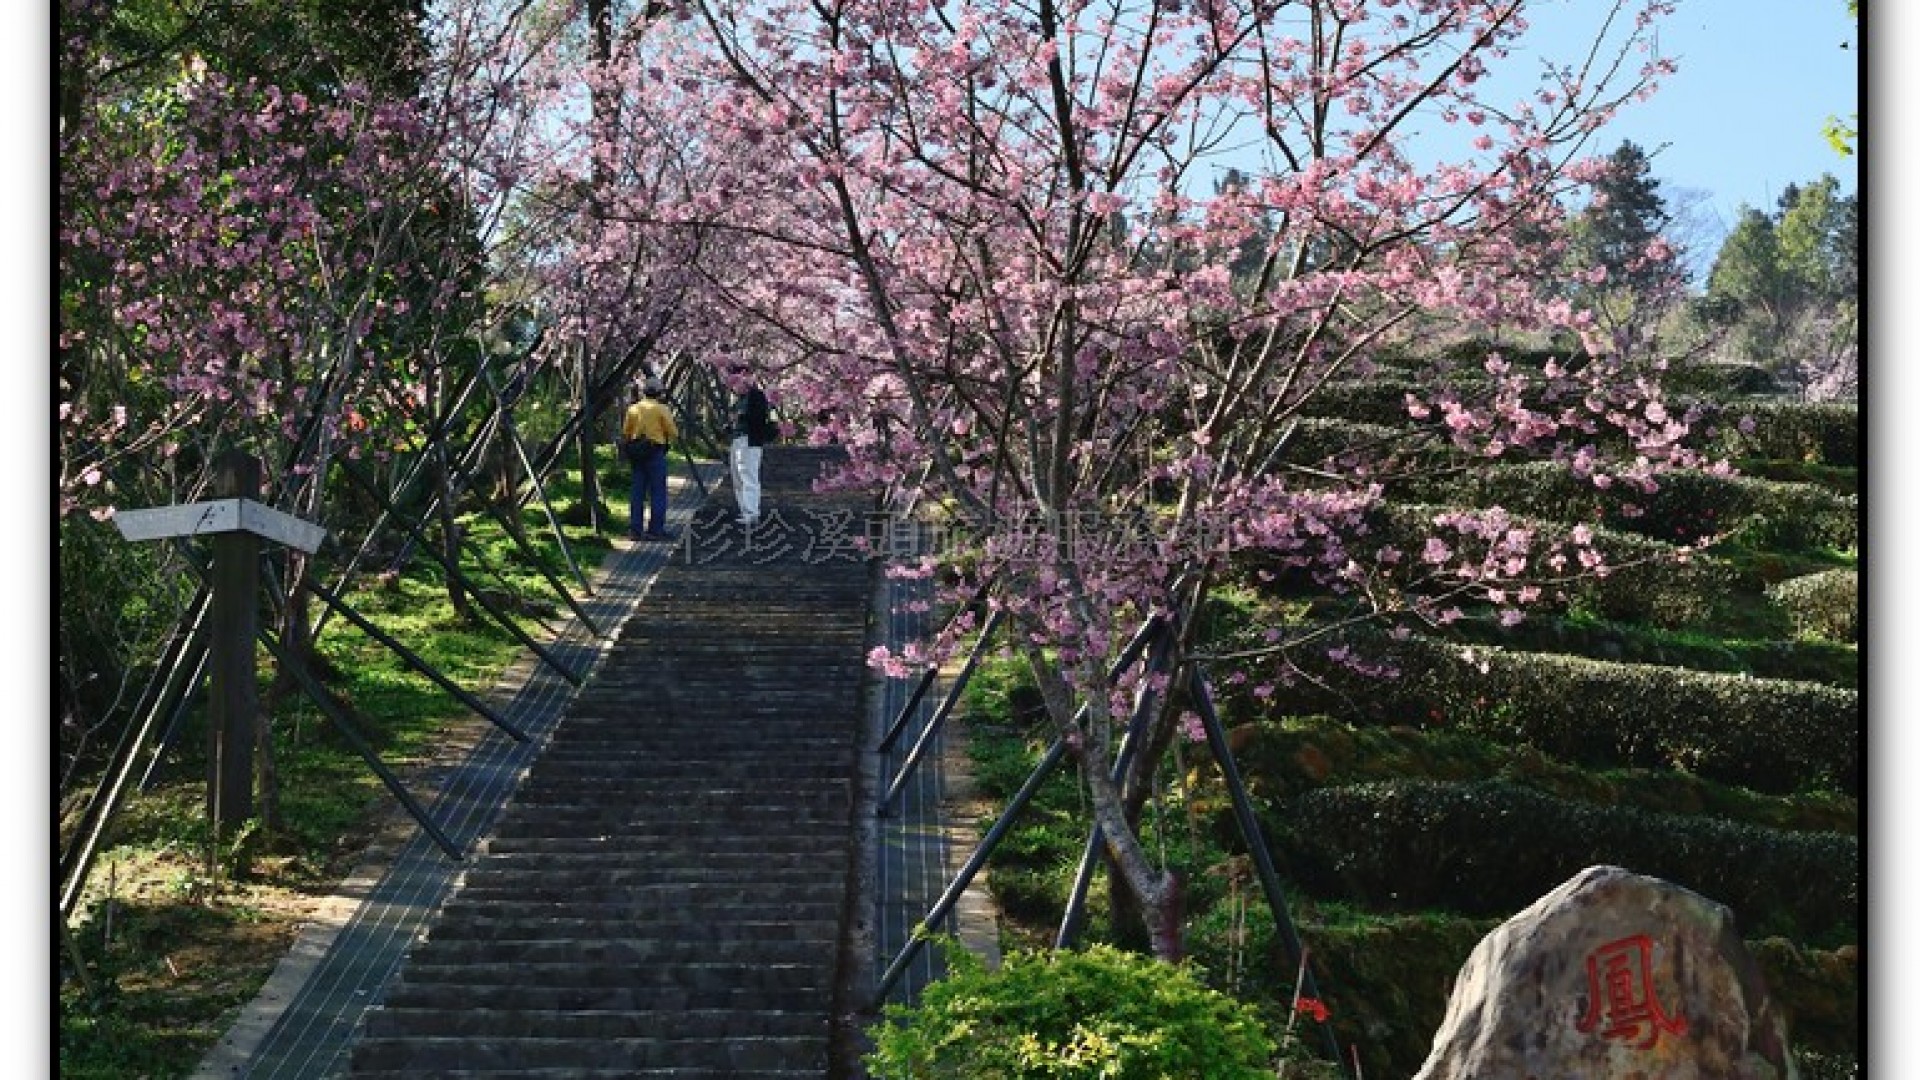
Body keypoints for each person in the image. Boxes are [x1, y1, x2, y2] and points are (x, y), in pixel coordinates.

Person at [621, 378, 679, 540]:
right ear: (659, 392)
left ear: (644, 392)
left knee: (637, 491)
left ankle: (635, 529)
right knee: (658, 491)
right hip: (655, 451)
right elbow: (674, 432)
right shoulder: (662, 409)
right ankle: (655, 529)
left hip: (637, 452)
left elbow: (626, 432)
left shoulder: (633, 409)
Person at [728, 369, 776, 527]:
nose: (734, 386)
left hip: (749, 440)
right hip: (737, 439)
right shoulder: (738, 399)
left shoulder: (756, 396)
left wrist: (741, 416)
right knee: (737, 477)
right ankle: (744, 510)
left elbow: (759, 417)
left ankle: (751, 512)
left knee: (748, 476)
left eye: (737, 382)